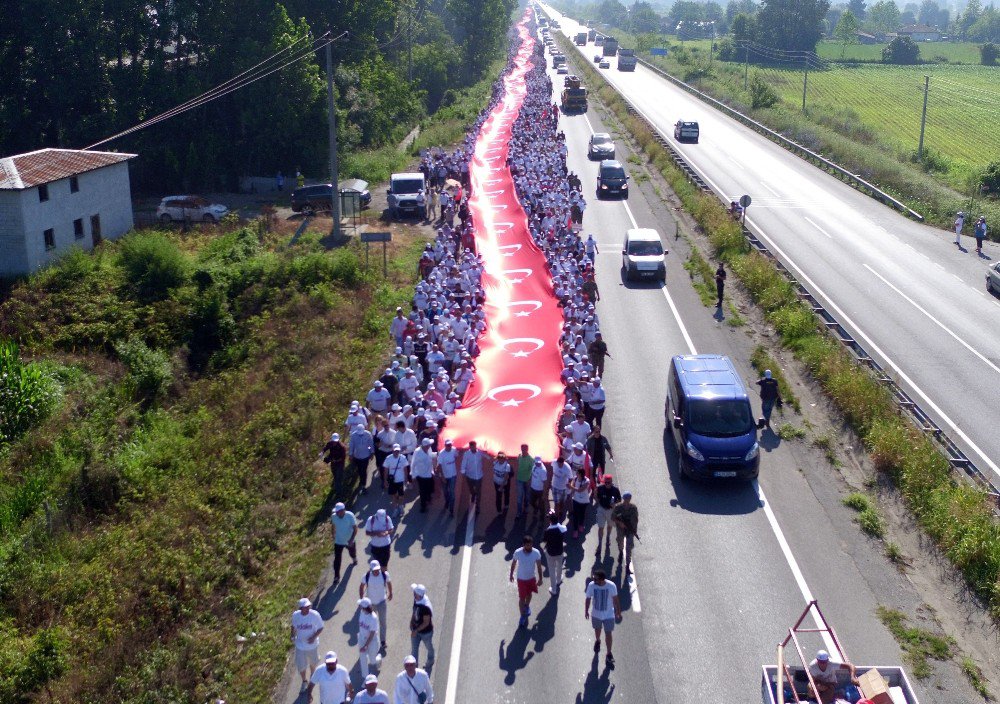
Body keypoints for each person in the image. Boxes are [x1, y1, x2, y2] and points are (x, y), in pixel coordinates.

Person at [585, 569, 621, 667]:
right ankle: (598, 640)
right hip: (596, 614)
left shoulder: (611, 586)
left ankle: (609, 653)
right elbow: (588, 598)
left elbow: (615, 599)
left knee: (608, 633)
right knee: (597, 630)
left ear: (601, 580)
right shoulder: (592, 585)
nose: (593, 580)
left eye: (595, 579)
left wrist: (618, 611)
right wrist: (586, 610)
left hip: (609, 615)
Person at [509, 535, 544, 627]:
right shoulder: (518, 552)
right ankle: (522, 616)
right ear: (523, 545)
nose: (529, 547)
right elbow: (513, 563)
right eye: (527, 545)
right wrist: (511, 574)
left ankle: (527, 606)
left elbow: (539, 566)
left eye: (530, 545)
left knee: (529, 594)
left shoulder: (536, 553)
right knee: (521, 598)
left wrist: (540, 578)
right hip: (521, 579)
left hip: (531, 578)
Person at [290, 597, 324, 691]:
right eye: (305, 607)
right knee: (301, 665)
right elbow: (293, 626)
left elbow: (321, 627)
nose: (308, 608)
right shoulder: (296, 615)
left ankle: (312, 676)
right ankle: (304, 681)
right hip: (300, 645)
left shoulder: (314, 615)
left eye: (309, 606)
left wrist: (313, 637)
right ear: (300, 608)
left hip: (312, 645)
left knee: (313, 662)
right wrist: (292, 635)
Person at [359, 559, 393, 652]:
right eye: (374, 570)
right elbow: (361, 586)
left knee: (383, 622)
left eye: (377, 569)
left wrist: (390, 592)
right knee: (371, 623)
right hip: (370, 604)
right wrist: (362, 599)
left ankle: (383, 641)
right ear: (371, 570)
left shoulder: (384, 575)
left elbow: (389, 582)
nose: (376, 571)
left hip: (382, 602)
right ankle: (371, 641)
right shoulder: (366, 576)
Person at [330, 502, 357, 586]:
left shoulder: (350, 515)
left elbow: (355, 528)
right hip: (338, 541)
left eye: (339, 512)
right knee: (337, 558)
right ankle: (336, 576)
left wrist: (351, 539)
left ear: (343, 510)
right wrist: (333, 534)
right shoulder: (334, 516)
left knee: (352, 552)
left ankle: (354, 558)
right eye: (336, 512)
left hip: (349, 540)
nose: (337, 514)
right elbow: (333, 526)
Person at [610, 491, 639, 572]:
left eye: (628, 498)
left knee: (629, 547)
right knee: (620, 542)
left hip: (630, 529)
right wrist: (620, 523)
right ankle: (620, 552)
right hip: (620, 528)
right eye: (625, 498)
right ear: (623, 498)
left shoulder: (633, 508)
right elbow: (613, 518)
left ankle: (628, 566)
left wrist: (634, 531)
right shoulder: (618, 507)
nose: (627, 500)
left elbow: (636, 520)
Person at [594, 475, 622, 557]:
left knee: (609, 526)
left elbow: (619, 499)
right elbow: (596, 497)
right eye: (605, 482)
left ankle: (608, 537)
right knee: (600, 527)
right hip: (602, 509)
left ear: (611, 482)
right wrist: (596, 498)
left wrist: (615, 504)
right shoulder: (600, 488)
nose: (607, 484)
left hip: (610, 510)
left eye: (608, 483)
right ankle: (599, 544)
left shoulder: (615, 490)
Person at [409, 584, 435, 669]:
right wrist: (411, 621)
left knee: (429, 647)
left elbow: (426, 622)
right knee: (414, 649)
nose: (413, 593)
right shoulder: (416, 600)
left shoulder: (425, 607)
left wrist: (415, 631)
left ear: (419, 595)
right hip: (415, 630)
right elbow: (414, 611)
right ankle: (414, 667)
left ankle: (430, 660)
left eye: (414, 593)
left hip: (425, 633)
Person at [542, 511, 567, 595]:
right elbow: (563, 528)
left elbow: (544, 540)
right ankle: (559, 580)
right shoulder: (562, 529)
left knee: (552, 570)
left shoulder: (547, 531)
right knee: (559, 566)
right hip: (560, 551)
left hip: (550, 552)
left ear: (550, 521)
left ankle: (554, 589)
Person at [383, 444, 410, 517]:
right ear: (392, 451)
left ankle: (401, 507)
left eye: (398, 451)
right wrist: (385, 480)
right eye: (395, 451)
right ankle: (395, 509)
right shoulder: (388, 458)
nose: (396, 452)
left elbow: (405, 470)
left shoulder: (403, 458)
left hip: (400, 480)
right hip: (392, 481)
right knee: (393, 495)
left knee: (401, 495)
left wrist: (406, 480)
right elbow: (386, 470)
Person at [411, 439, 437, 512]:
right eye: (427, 446)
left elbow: (431, 456)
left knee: (429, 488)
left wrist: (435, 455)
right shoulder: (417, 452)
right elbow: (413, 463)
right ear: (423, 445)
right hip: (421, 475)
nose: (428, 447)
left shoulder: (429, 448)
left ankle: (428, 498)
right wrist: (413, 475)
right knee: (422, 491)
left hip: (429, 473)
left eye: (429, 446)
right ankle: (423, 506)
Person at [357, 597, 381, 677]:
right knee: (363, 659)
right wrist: (363, 644)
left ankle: (378, 659)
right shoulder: (361, 612)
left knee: (372, 661)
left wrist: (366, 645)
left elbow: (372, 633)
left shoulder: (373, 618)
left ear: (364, 607)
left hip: (372, 640)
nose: (359, 606)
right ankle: (365, 678)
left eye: (361, 605)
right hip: (361, 638)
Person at [350, 424, 376, 494]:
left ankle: (363, 484)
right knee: (359, 470)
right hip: (357, 456)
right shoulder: (353, 435)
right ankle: (361, 481)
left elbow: (370, 445)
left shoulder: (368, 434)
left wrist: (371, 452)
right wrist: (351, 454)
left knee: (364, 470)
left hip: (365, 456)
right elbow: (352, 445)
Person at [460, 440, 485, 510]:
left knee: (478, 491)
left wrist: (490, 458)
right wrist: (463, 471)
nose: (473, 448)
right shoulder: (466, 454)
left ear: (475, 446)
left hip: (479, 476)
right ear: (470, 447)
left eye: (474, 446)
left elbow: (486, 455)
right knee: (471, 488)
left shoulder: (479, 452)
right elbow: (463, 463)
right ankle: (473, 494)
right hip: (470, 476)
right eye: (472, 447)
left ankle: (478, 505)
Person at [437, 438, 459, 516]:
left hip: (453, 475)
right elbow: (439, 466)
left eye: (450, 445)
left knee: (452, 493)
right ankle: (447, 501)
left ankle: (451, 509)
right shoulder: (442, 454)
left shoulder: (454, 450)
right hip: (445, 477)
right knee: (446, 492)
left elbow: (456, 456)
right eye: (447, 445)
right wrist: (442, 476)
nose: (449, 446)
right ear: (445, 445)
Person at [569, 466, 592, 539]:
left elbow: (580, 490)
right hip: (576, 500)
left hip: (584, 501)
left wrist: (570, 487)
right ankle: (575, 530)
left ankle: (581, 525)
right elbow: (572, 485)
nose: (576, 473)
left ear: (581, 474)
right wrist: (571, 490)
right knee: (575, 515)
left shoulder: (586, 481)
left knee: (582, 514)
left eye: (577, 473)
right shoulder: (575, 478)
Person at [515, 444, 534, 517]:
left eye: (524, 449)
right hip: (519, 479)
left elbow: (532, 470)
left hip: (527, 480)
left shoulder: (531, 460)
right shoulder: (519, 456)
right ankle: (519, 512)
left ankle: (526, 508)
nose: (523, 451)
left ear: (527, 449)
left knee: (527, 496)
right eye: (522, 449)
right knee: (519, 497)